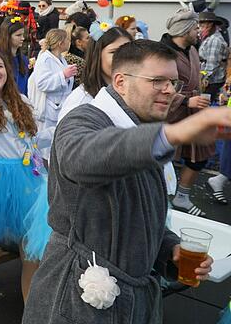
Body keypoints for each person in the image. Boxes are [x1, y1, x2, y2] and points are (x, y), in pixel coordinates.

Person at [23, 39, 217, 324]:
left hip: (133, 298)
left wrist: (170, 250)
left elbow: (139, 211)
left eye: (173, 82)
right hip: (78, 299)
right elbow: (83, 158)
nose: (169, 90)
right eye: (157, 80)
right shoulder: (82, 119)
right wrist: (173, 134)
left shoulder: (141, 125)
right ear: (121, 81)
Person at [0, 50, 51, 303]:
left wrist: (65, 129)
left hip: (31, 176)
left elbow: (35, 138)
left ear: (8, 71)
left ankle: (32, 311)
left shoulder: (22, 101)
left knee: (33, 249)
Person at [160, 6, 214, 217]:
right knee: (162, 159)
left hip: (194, 110)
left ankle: (182, 196)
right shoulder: (162, 53)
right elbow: (157, 87)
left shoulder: (192, 49)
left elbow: (192, 74)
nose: (198, 32)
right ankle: (161, 200)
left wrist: (200, 82)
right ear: (184, 30)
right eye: (195, 28)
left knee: (198, 157)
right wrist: (185, 100)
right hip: (171, 112)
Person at [28, 29, 75, 133]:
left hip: (59, 107)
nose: (69, 42)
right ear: (60, 43)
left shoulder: (60, 59)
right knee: (47, 141)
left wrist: (67, 76)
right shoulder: (45, 59)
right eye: (67, 39)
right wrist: (63, 75)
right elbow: (42, 83)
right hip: (49, 111)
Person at [197, 11, 228, 101]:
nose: (199, 28)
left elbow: (212, 64)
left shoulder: (215, 40)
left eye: (202, 25)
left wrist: (204, 80)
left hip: (212, 82)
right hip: (209, 80)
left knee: (205, 105)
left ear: (209, 25)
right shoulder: (208, 38)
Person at [0, 16, 29, 95]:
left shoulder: (23, 59)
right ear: (7, 37)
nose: (22, 38)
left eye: (22, 34)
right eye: (18, 35)